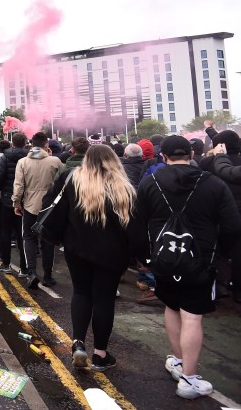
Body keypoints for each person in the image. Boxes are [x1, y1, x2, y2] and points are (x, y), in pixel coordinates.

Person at [137, 136, 240, 399]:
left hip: (163, 258)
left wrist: (144, 257)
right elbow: (231, 225)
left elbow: (137, 222)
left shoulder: (150, 182)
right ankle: (188, 379)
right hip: (201, 259)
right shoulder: (214, 183)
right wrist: (220, 254)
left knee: (171, 307)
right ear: (192, 153)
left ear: (164, 157)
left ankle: (179, 363)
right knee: (192, 315)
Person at [56, 145, 141, 372]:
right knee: (104, 300)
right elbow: (133, 227)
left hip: (77, 249)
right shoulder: (125, 187)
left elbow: (56, 209)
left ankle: (78, 343)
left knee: (81, 292)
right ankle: (101, 354)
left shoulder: (73, 181)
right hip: (112, 253)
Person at [13, 132, 64, 289]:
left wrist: (16, 202)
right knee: (48, 241)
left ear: (31, 144)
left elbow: (19, 185)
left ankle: (32, 272)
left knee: (28, 237)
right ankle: (48, 276)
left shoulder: (22, 162)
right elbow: (63, 182)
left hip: (30, 205)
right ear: (46, 145)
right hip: (50, 207)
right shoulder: (55, 161)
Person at [202, 126, 241, 303]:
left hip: (214, 214)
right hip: (235, 214)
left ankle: (218, 284)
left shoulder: (207, 163)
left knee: (214, 250)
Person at [0, 133, 29, 275]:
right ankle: (24, 268)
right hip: (26, 200)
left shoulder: (5, 157)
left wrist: (5, 191)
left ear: (12, 142)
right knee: (23, 234)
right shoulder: (29, 157)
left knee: (5, 232)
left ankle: (6, 263)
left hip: (8, 200)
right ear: (25, 142)